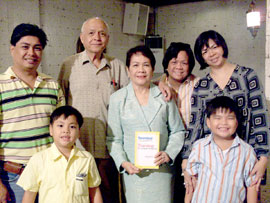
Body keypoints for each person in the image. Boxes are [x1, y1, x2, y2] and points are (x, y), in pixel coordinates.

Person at [58, 17, 170, 203]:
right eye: (91, 33)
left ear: (108, 39)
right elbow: (60, 106)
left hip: (108, 150)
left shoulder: (117, 65)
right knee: (76, 197)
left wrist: (159, 84)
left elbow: (136, 88)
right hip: (76, 148)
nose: (97, 38)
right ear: (82, 38)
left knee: (109, 197)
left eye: (102, 33)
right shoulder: (69, 65)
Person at [182, 30, 269, 194]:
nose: (211, 53)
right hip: (211, 159)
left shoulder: (247, 76)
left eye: (214, 47)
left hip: (245, 155)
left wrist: (263, 157)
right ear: (201, 57)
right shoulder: (201, 86)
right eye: (205, 51)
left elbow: (260, 117)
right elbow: (195, 125)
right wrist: (186, 159)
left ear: (223, 46)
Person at [107, 45, 186, 203]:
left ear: (153, 69)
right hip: (134, 172)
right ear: (128, 70)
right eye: (135, 65)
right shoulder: (117, 99)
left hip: (162, 172)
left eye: (146, 65)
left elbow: (178, 131)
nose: (141, 70)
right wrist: (123, 163)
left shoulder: (164, 96)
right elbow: (113, 139)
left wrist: (168, 153)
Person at [0, 23, 65, 203]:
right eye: (25, 47)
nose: (31, 53)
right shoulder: (1, 86)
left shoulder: (52, 85)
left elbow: (61, 130)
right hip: (13, 178)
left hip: (50, 174)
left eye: (37, 48)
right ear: (12, 49)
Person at [17, 106, 103, 203]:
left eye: (72, 126)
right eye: (60, 125)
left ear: (79, 132)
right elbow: (29, 196)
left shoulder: (87, 159)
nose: (66, 130)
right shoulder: (38, 159)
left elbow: (94, 191)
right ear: (51, 129)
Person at [185, 96, 257, 203]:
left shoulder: (247, 151)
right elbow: (191, 182)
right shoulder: (199, 147)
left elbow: (252, 186)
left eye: (230, 118)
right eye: (218, 118)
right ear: (208, 122)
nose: (224, 122)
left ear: (237, 122)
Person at [159, 42, 199, 203]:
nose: (179, 67)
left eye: (184, 62)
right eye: (174, 62)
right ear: (166, 65)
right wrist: (159, 82)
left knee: (189, 190)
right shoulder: (156, 87)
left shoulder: (198, 85)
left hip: (192, 147)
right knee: (168, 190)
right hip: (166, 147)